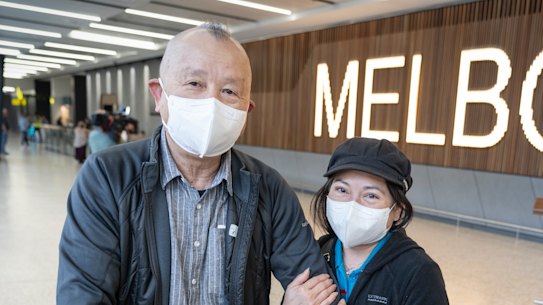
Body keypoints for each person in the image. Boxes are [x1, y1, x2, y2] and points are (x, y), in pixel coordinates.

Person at [57, 22, 339, 305]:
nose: (212, 102)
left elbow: (316, 290)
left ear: (246, 110)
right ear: (159, 95)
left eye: (229, 91)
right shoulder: (108, 177)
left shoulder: (269, 189)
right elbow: (83, 295)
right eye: (195, 83)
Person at [285, 137, 449, 304]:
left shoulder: (418, 272)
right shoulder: (315, 255)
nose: (352, 205)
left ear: (397, 211)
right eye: (342, 190)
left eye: (371, 195)